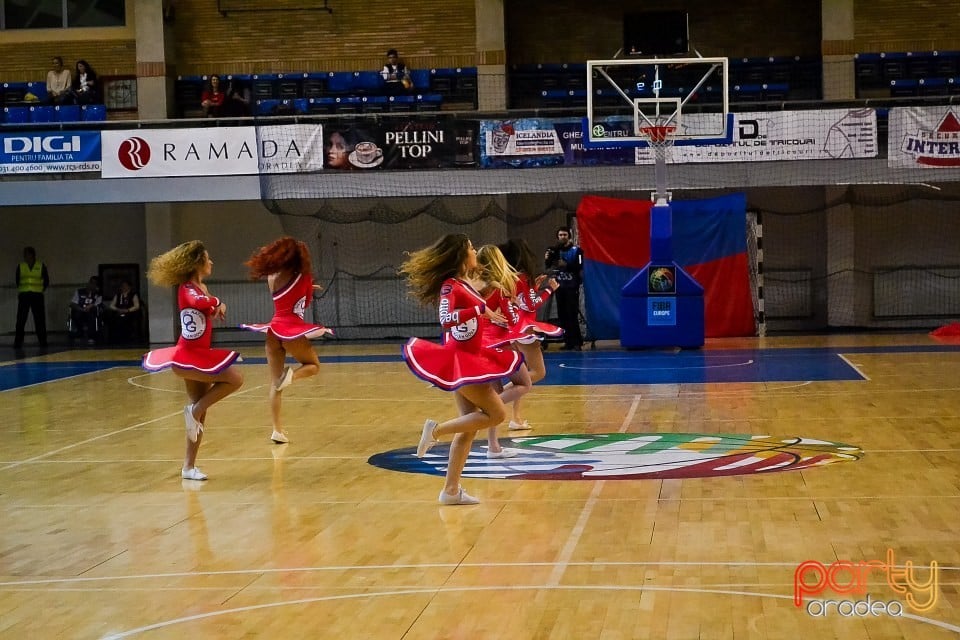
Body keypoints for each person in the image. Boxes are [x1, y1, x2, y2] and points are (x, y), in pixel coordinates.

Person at [399, 234, 525, 505]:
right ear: (460, 255)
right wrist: (478, 312)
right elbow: (446, 320)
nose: (474, 250)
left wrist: (487, 305)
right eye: (470, 248)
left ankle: (451, 491)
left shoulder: (465, 282)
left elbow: (479, 300)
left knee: (468, 429)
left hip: (472, 357)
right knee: (497, 414)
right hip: (462, 361)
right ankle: (435, 431)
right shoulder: (449, 286)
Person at [142, 240, 244, 481]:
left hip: (200, 356)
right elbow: (198, 303)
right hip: (187, 356)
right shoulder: (187, 288)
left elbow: (206, 307)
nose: (211, 262)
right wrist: (217, 303)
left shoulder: (202, 287)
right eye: (207, 258)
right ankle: (193, 410)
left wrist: (218, 306)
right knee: (235, 380)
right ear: (198, 262)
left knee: (201, 414)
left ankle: (188, 467)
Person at [241, 237, 333, 444]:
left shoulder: (271, 276)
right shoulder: (304, 277)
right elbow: (305, 302)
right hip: (291, 330)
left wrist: (309, 287)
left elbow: (285, 298)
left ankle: (277, 430)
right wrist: (310, 288)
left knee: (275, 384)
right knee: (313, 365)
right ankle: (291, 376)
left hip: (273, 330)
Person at [474, 244, 534, 456]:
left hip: (480, 342)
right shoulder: (499, 288)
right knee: (525, 383)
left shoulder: (472, 286)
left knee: (496, 390)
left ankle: (493, 446)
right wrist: (515, 305)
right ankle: (489, 407)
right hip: (499, 342)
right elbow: (512, 320)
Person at [498, 238, 562, 430]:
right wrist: (549, 289)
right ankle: (495, 400)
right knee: (537, 373)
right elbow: (531, 304)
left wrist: (535, 287)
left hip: (513, 327)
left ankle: (516, 418)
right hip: (524, 328)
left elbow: (523, 299)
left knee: (524, 373)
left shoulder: (509, 276)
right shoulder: (523, 276)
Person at [544, 226, 584, 350]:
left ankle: (577, 342)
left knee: (572, 314)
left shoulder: (576, 251)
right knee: (562, 315)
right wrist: (547, 258)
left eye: (565, 235)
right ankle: (568, 342)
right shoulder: (554, 250)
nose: (562, 237)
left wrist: (567, 265)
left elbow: (580, 266)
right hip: (559, 287)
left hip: (572, 286)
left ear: (569, 236)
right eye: (560, 235)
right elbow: (548, 265)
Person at [14, 246, 49, 349]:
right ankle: (18, 342)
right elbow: (17, 280)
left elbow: (46, 280)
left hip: (37, 295)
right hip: (24, 295)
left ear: (33, 255)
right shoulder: (21, 266)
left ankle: (43, 341)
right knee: (21, 319)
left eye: (28, 254)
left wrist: (40, 290)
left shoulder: (41, 265)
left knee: (39, 319)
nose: (26, 256)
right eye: (25, 254)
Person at [105, 279, 142, 344]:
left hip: (130, 313)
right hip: (119, 312)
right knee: (113, 320)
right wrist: (118, 309)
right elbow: (111, 305)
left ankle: (128, 338)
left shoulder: (133, 295)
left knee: (127, 321)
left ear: (129, 287)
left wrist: (127, 310)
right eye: (122, 286)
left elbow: (137, 306)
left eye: (125, 286)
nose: (124, 287)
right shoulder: (118, 295)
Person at [69, 275, 103, 344]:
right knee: (76, 314)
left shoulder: (98, 294)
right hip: (80, 310)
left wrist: (91, 306)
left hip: (91, 312)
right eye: (91, 282)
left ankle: (91, 336)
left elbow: (98, 304)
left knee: (93, 314)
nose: (92, 285)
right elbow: (73, 303)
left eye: (94, 283)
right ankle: (79, 334)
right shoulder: (79, 292)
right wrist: (81, 309)